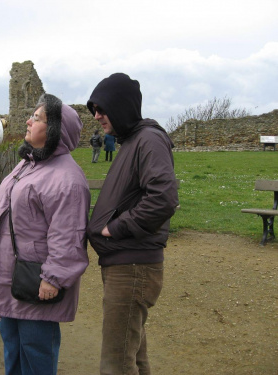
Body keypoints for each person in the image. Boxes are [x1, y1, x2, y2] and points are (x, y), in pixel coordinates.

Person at [0, 93, 90, 375]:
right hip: (11, 277)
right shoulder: (28, 163)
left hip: (37, 282)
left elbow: (69, 234)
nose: (29, 121)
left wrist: (54, 278)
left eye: (38, 118)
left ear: (56, 130)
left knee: (36, 355)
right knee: (13, 349)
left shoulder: (66, 178)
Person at [85, 73, 179, 375]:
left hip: (133, 268)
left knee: (116, 362)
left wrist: (117, 227)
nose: (97, 116)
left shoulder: (149, 140)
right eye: (94, 109)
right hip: (125, 264)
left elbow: (163, 197)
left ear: (122, 106)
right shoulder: (132, 141)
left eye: (101, 108)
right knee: (133, 356)